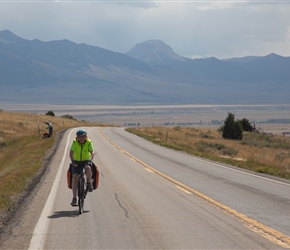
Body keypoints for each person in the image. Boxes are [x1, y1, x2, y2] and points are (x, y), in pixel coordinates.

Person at [69, 129, 94, 206]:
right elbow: (71, 152)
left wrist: (90, 160)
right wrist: (73, 161)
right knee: (75, 178)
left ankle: (89, 183)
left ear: (86, 137)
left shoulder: (88, 142)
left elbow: (92, 152)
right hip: (76, 161)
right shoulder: (74, 142)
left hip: (86, 160)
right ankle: (74, 198)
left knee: (88, 168)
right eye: (80, 137)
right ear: (77, 137)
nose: (81, 138)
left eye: (83, 137)